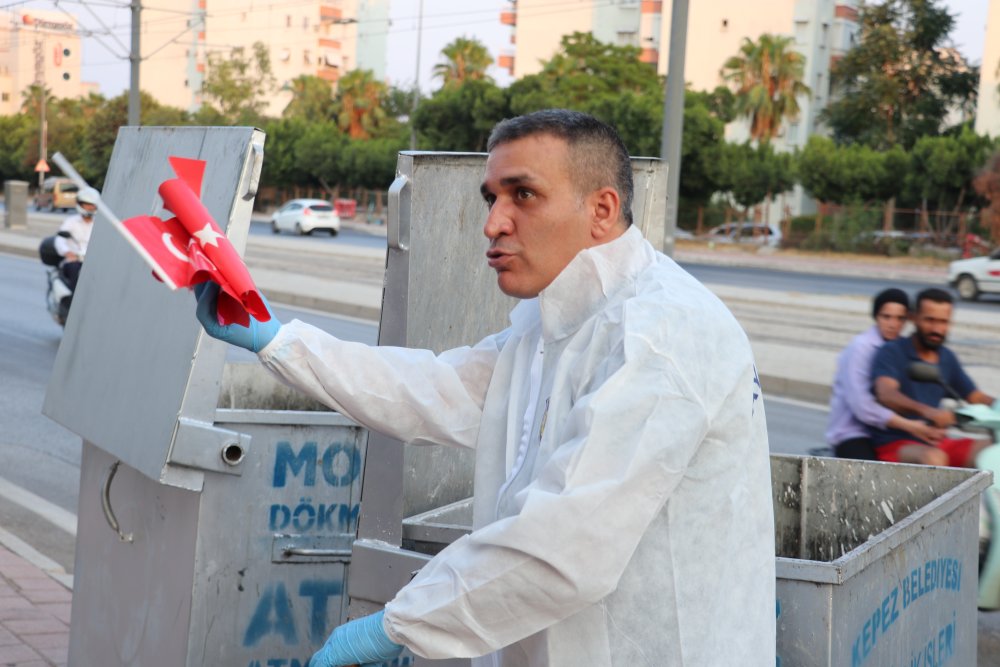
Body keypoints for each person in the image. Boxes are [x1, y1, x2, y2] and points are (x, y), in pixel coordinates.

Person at [195, 109, 776, 666]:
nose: (493, 223)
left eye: (523, 194)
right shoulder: (557, 326)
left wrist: (395, 625)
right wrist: (278, 341)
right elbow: (435, 389)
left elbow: (565, 547)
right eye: (491, 198)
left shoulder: (661, 334)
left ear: (602, 209)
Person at [871, 287, 996, 467]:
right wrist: (928, 412)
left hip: (937, 441)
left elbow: (975, 396)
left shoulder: (947, 358)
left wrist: (997, 405)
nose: (937, 329)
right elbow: (886, 393)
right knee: (934, 458)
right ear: (914, 318)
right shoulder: (892, 351)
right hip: (896, 442)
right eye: (930, 320)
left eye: (943, 322)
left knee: (991, 449)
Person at [826, 288, 945, 459]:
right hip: (855, 433)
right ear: (876, 317)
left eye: (900, 318)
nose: (893, 324)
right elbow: (862, 407)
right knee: (870, 473)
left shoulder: (902, 348)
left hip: (891, 433)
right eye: (886, 317)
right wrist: (910, 426)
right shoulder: (861, 348)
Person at [53, 186, 100, 292]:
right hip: (74, 260)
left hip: (92, 262)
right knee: (75, 270)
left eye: (92, 205)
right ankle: (73, 298)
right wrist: (67, 252)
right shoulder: (71, 221)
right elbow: (59, 240)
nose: (89, 207)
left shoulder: (99, 224)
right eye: (86, 204)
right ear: (80, 204)